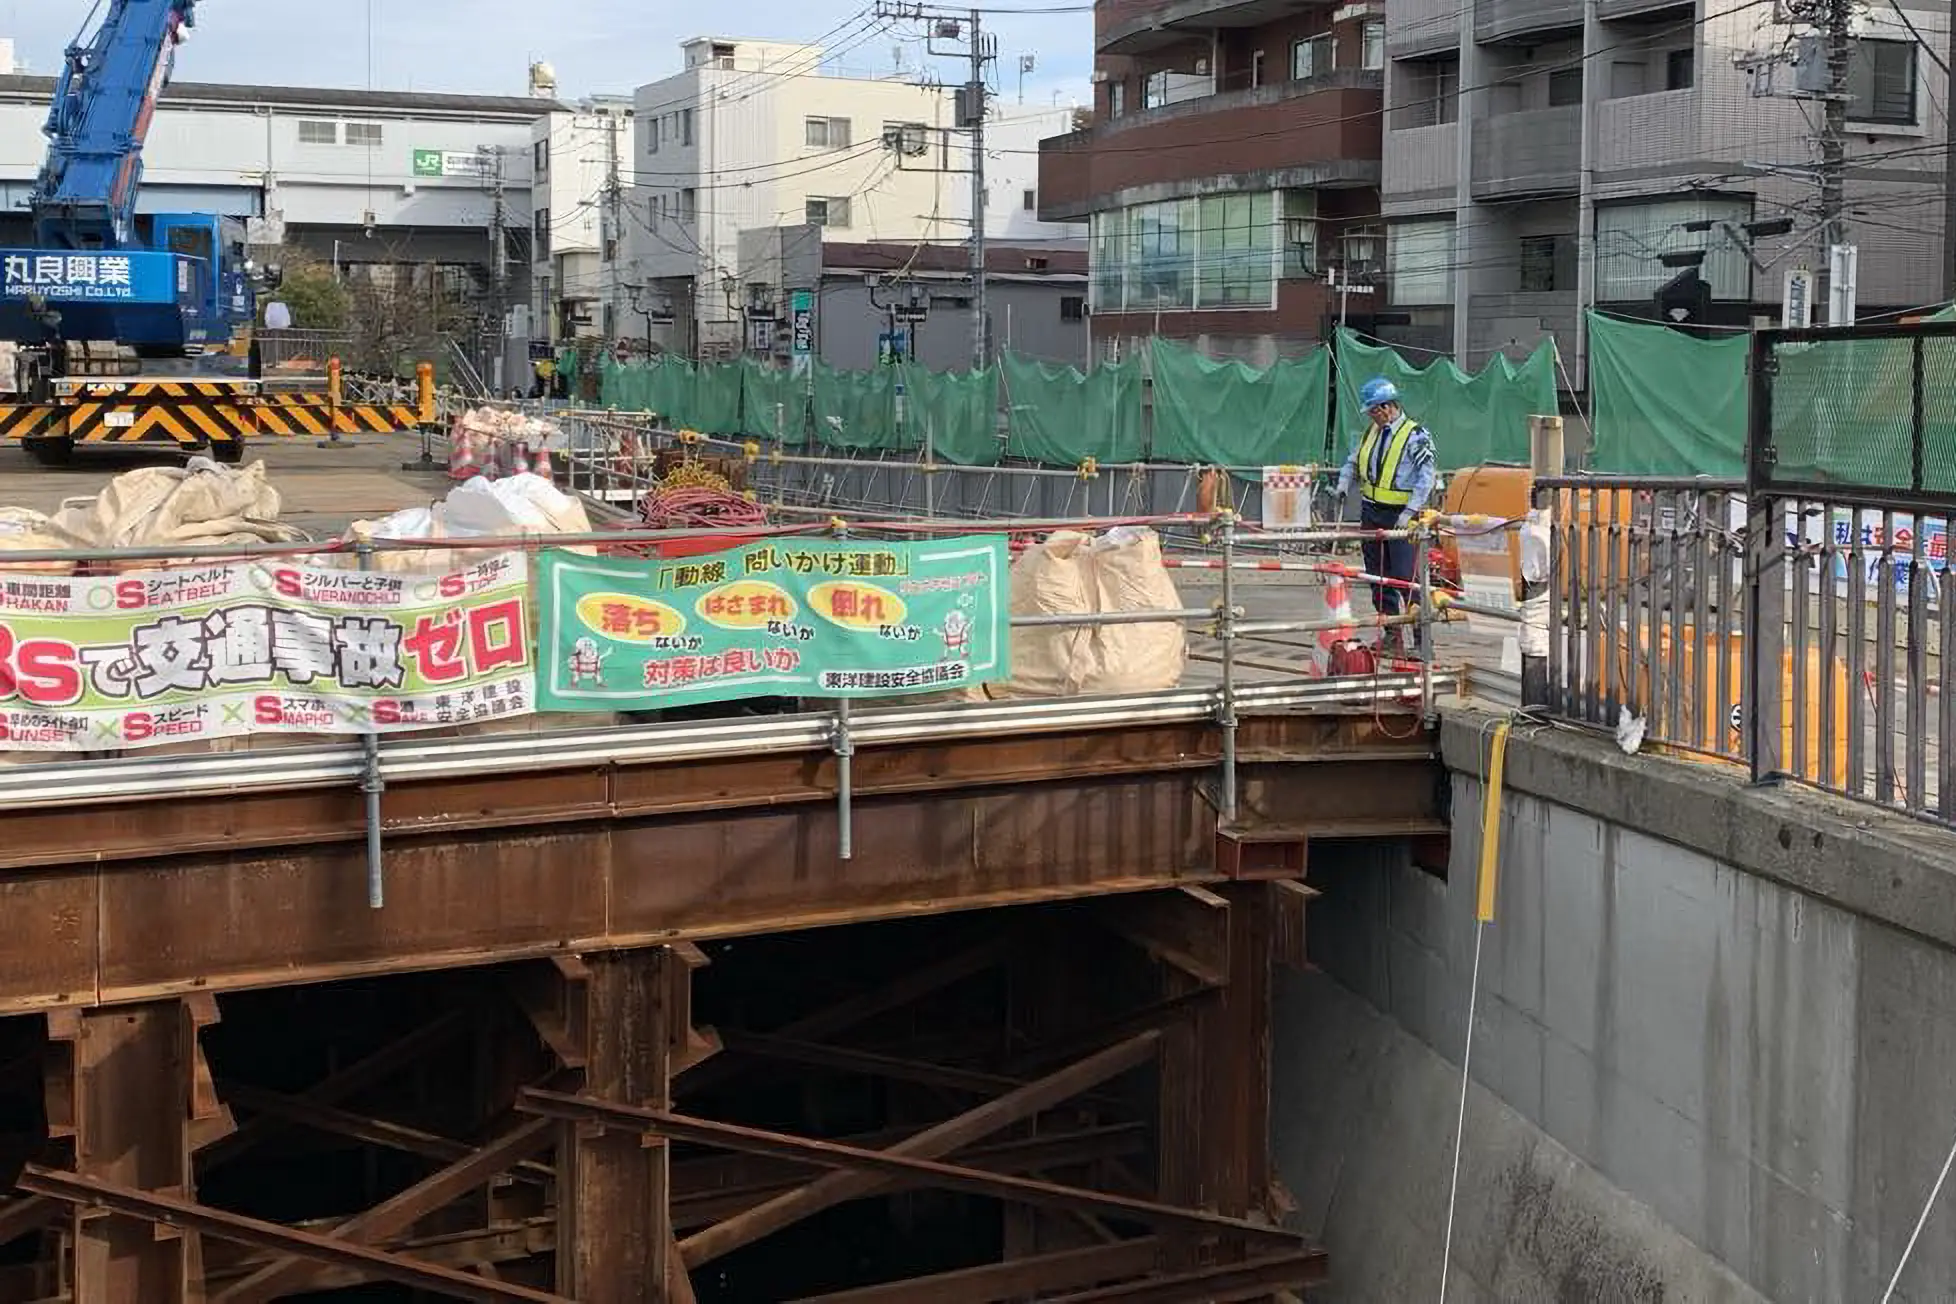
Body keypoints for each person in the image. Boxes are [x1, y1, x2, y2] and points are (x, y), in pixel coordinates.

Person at [1335, 377, 1437, 650]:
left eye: (1373, 410)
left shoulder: (1416, 435)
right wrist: (1344, 484)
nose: (1371, 415)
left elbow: (1426, 477)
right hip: (1372, 513)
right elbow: (1352, 462)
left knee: (1406, 577)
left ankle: (1421, 639)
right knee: (1378, 577)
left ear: (1386, 407)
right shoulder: (1371, 433)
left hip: (1401, 516)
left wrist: (1410, 512)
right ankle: (1392, 635)